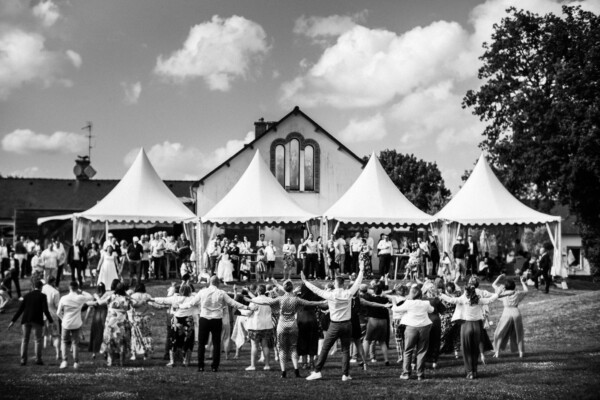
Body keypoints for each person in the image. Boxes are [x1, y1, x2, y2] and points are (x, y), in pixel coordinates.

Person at [249, 279, 326, 378]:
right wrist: (321, 302)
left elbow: (266, 302)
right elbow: (310, 303)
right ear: (292, 288)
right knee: (293, 348)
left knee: (282, 349)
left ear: (284, 289)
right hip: (293, 324)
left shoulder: (281, 298)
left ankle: (283, 372)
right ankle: (296, 370)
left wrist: (251, 300)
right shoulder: (296, 299)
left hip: (282, 325)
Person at [303, 260, 364, 382]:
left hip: (335, 325)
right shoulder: (348, 293)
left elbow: (316, 290)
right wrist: (361, 270)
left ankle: (317, 371)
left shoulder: (330, 294)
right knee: (346, 350)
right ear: (343, 284)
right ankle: (345, 375)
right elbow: (357, 283)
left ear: (336, 283)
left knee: (325, 348)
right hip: (347, 324)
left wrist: (305, 281)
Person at [183, 275, 248, 372]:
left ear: (210, 282)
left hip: (204, 319)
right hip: (216, 320)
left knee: (201, 344)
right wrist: (246, 307)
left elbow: (191, 303)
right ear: (217, 283)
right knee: (216, 343)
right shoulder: (221, 293)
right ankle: (214, 366)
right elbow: (232, 303)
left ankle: (201, 366)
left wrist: (179, 306)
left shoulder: (202, 292)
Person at [440, 285, 499, 379]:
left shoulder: (463, 299)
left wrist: (441, 294)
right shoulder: (479, 300)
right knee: (475, 350)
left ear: (466, 292)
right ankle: (475, 371)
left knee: (467, 350)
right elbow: (490, 300)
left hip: (466, 326)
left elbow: (451, 300)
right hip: (477, 326)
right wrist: (497, 293)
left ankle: (469, 372)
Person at [8, 280, 53, 366]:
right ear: (41, 287)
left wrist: (13, 321)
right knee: (38, 340)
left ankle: (23, 360)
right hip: (37, 320)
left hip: (26, 320)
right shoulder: (42, 296)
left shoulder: (27, 296)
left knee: (25, 340)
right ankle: (38, 359)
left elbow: (20, 310)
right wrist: (51, 321)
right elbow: (45, 310)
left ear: (33, 286)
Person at [395, 286, 433, 380]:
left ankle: (406, 373)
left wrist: (393, 302)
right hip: (424, 327)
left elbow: (396, 309)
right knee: (421, 351)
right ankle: (420, 374)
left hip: (411, 328)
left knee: (408, 351)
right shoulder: (426, 303)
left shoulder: (408, 303)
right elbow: (432, 310)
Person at [56, 281, 94, 369]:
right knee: (75, 343)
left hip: (66, 323)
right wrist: (82, 291)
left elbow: (58, 312)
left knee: (64, 342)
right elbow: (90, 297)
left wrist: (63, 319)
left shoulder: (64, 298)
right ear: (77, 288)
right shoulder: (79, 298)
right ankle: (76, 362)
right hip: (76, 323)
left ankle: (64, 361)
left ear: (69, 288)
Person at [96, 282, 133, 367]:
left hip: (111, 322)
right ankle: (121, 361)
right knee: (122, 342)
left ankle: (110, 361)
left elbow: (100, 303)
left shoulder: (111, 297)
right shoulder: (127, 298)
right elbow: (133, 305)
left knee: (110, 341)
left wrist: (97, 297)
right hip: (122, 322)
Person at [492, 274, 528, 358]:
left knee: (500, 332)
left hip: (506, 313)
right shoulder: (517, 293)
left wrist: (499, 277)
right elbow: (526, 291)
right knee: (518, 333)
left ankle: (497, 351)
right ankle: (521, 352)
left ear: (505, 286)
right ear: (514, 286)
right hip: (516, 312)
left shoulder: (503, 293)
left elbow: (493, 285)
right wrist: (522, 282)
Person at [245, 284, 275, 371]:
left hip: (256, 325)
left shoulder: (254, 300)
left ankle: (253, 365)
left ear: (258, 291)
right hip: (267, 325)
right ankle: (267, 365)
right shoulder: (269, 300)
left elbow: (250, 312)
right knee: (265, 345)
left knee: (254, 345)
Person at [362, 283, 391, 365]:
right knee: (382, 342)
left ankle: (364, 360)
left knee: (367, 340)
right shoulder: (385, 300)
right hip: (383, 321)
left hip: (373, 320)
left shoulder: (369, 298)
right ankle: (386, 360)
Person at [129, 282, 154, 361]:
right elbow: (154, 304)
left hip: (136, 318)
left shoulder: (133, 296)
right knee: (146, 336)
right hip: (146, 318)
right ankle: (146, 354)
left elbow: (132, 306)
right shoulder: (147, 296)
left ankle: (133, 354)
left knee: (135, 336)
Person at [87, 282, 110, 359]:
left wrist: (86, 318)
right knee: (104, 334)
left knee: (95, 334)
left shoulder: (95, 296)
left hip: (96, 317)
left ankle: (94, 353)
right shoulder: (107, 296)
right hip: (104, 316)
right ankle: (105, 352)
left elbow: (90, 307)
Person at [42, 277, 61, 361]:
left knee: (45, 332)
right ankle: (57, 353)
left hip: (42, 314)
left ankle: (45, 346)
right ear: (53, 282)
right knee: (56, 335)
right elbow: (58, 306)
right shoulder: (55, 292)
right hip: (52, 315)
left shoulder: (43, 287)